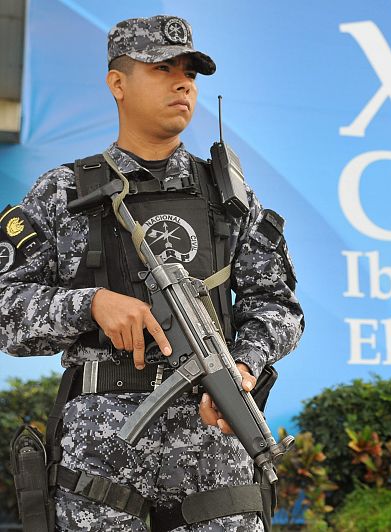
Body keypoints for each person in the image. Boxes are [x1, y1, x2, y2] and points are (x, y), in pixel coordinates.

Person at [0, 15, 303, 531]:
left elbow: (278, 307)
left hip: (215, 456)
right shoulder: (63, 192)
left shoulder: (230, 197)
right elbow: (6, 309)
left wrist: (243, 366)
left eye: (190, 72)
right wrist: (90, 304)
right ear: (117, 83)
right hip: (100, 460)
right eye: (163, 68)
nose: (183, 84)